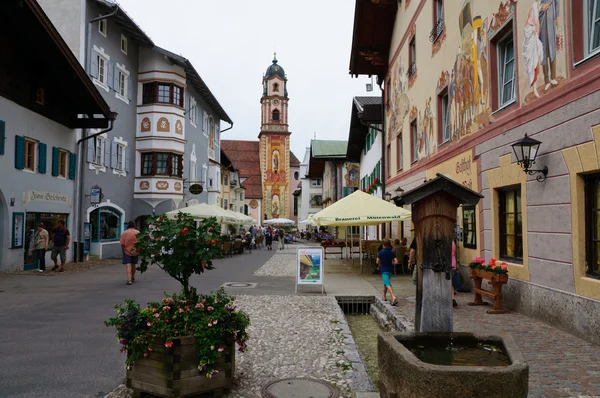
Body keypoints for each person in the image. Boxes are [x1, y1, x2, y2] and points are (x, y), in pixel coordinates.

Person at [523, 0, 544, 98]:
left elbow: (537, 19)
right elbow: (527, 28)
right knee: (533, 66)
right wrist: (533, 29)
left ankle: (535, 88)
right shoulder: (532, 11)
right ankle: (534, 88)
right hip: (531, 44)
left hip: (535, 42)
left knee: (537, 65)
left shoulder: (536, 9)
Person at [539, 0, 559, 92]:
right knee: (543, 54)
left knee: (552, 50)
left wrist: (557, 16)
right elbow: (535, 8)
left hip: (551, 23)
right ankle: (546, 81)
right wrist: (542, 9)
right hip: (542, 26)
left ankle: (553, 78)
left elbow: (557, 2)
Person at [376, 238, 399, 306]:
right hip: (390, 270)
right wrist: (391, 263)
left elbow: (377, 261)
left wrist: (381, 262)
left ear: (383, 244)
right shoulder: (392, 252)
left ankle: (393, 296)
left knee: (387, 283)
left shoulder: (380, 252)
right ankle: (384, 296)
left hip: (384, 269)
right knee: (386, 283)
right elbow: (396, 262)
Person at [120, 220, 140, 285]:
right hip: (135, 251)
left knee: (128, 265)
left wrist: (123, 250)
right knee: (133, 265)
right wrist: (139, 249)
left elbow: (122, 244)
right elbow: (140, 243)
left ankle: (129, 280)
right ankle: (133, 277)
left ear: (128, 225)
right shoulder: (137, 232)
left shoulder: (125, 233)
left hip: (127, 251)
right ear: (134, 225)